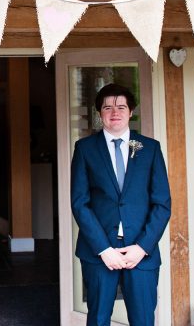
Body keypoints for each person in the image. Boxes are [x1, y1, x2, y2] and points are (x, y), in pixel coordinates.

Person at [70, 83, 171, 326]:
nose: (115, 112)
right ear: (99, 113)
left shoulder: (150, 148)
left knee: (143, 319)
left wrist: (143, 247)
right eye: (107, 107)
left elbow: (162, 204)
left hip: (141, 251)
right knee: (98, 318)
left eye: (121, 106)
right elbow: (80, 203)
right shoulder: (85, 148)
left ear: (131, 111)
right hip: (99, 251)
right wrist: (104, 249)